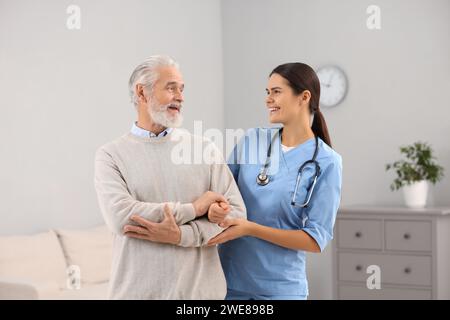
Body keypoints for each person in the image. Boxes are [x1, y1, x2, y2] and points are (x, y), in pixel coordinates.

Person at [94, 55, 246, 299]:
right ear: (142, 93)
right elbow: (121, 217)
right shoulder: (110, 155)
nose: (180, 96)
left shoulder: (204, 149)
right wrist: (194, 209)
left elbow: (237, 213)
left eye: (182, 89)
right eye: (171, 87)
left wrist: (181, 236)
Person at [209, 62, 343, 300]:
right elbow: (221, 190)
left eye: (276, 92)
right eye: (267, 92)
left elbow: (314, 239)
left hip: (280, 290)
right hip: (228, 282)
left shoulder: (327, 162)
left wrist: (250, 228)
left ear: (303, 97)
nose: (268, 99)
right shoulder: (253, 141)